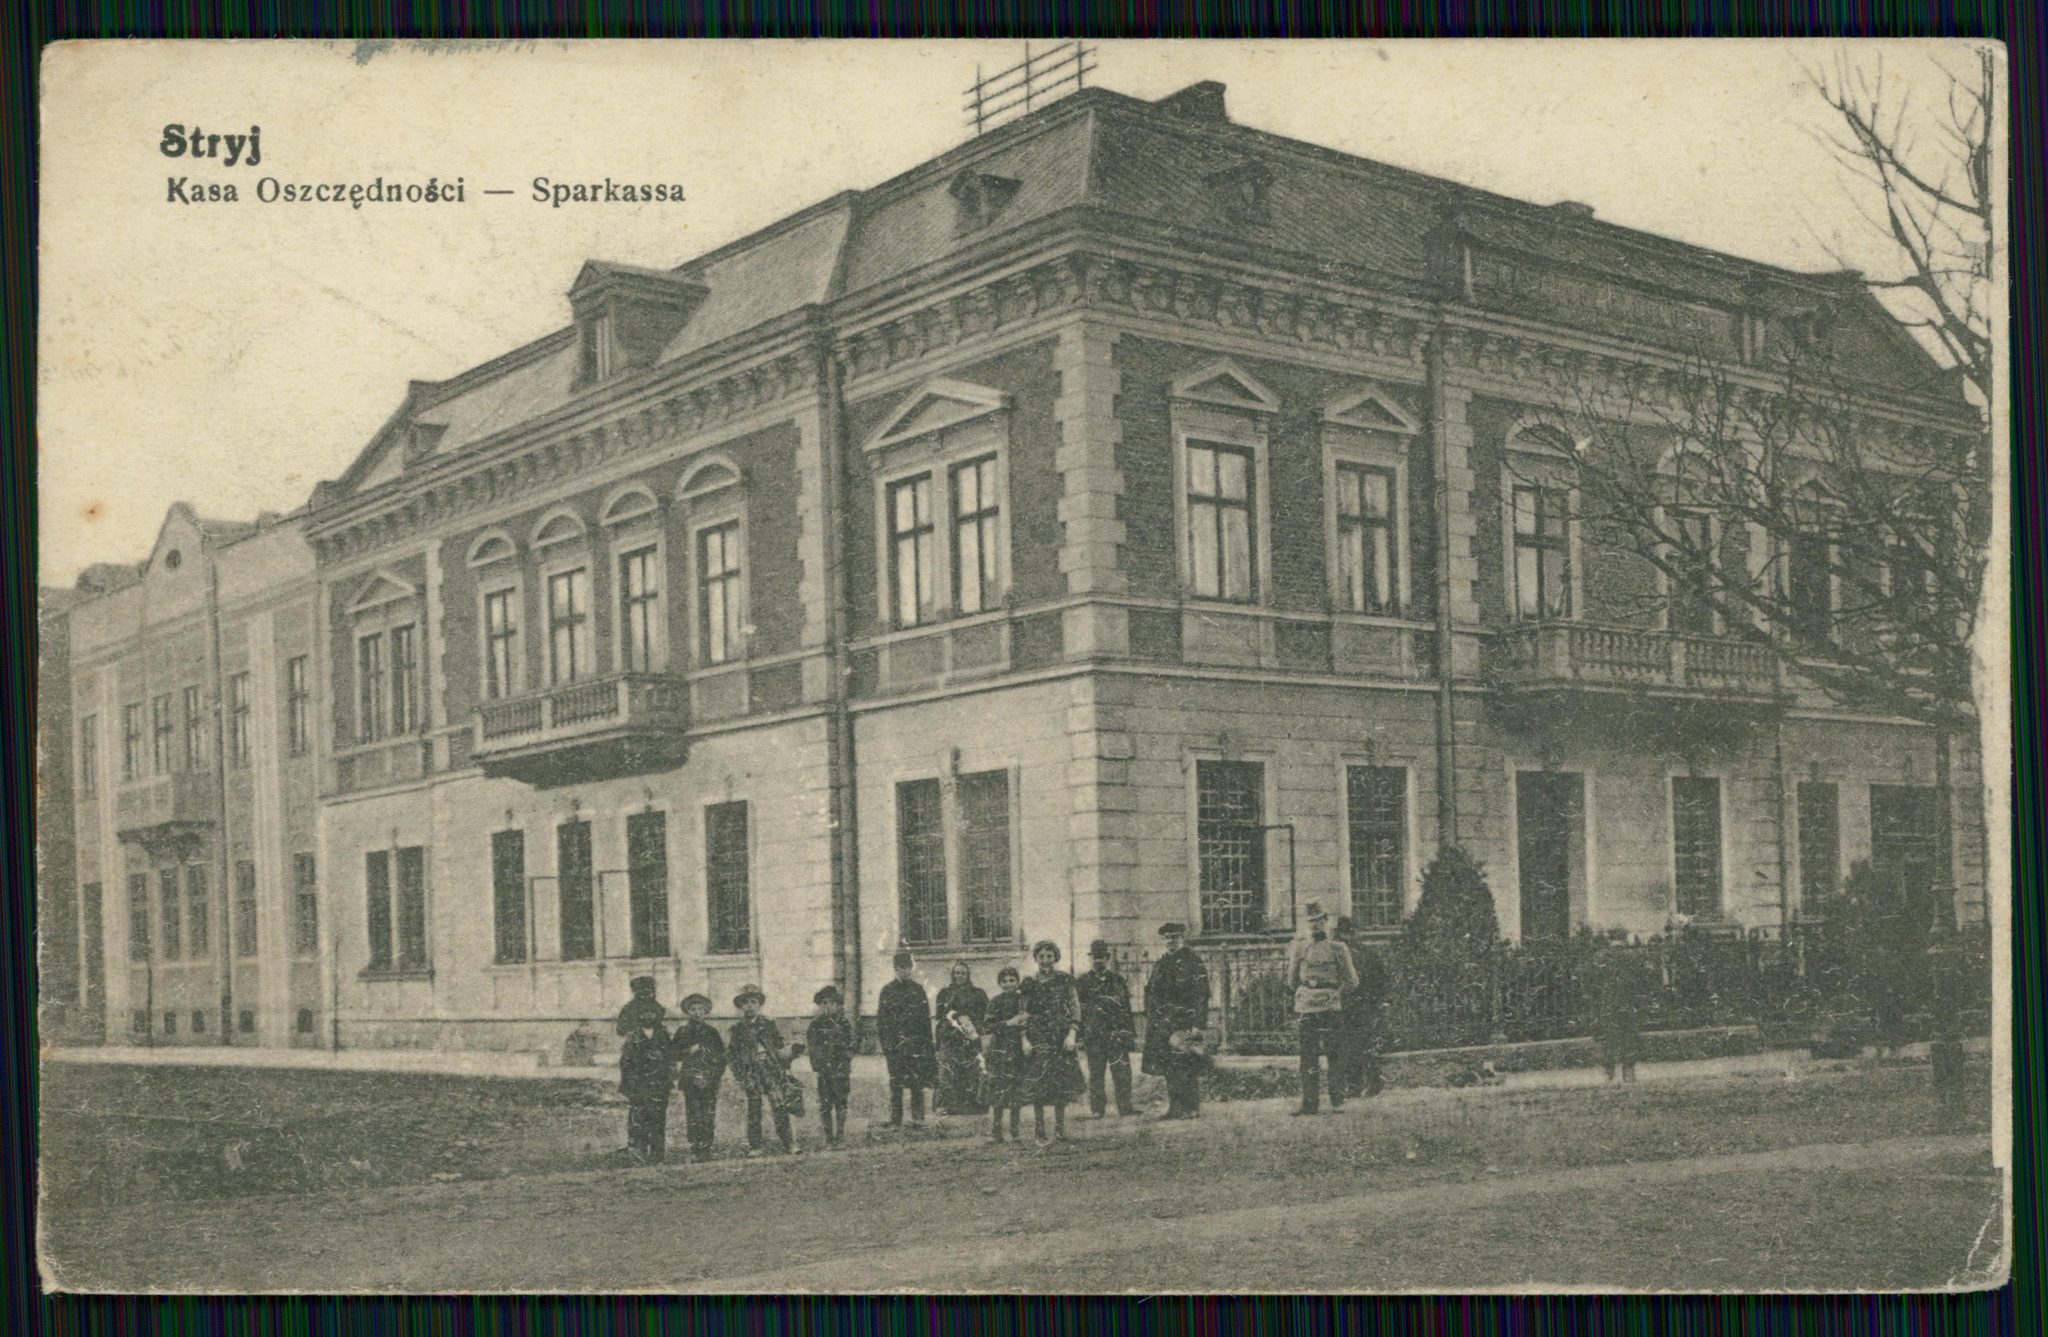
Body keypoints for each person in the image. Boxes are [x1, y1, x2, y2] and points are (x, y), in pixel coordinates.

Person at [1289, 901, 1360, 1115]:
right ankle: (1310, 1103)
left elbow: (1352, 981)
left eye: (1319, 921)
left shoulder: (1337, 948)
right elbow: (1292, 980)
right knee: (1307, 1057)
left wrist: (1336, 994)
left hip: (1329, 1007)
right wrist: (1304, 991)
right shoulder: (1300, 947)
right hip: (1306, 1007)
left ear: (1326, 921)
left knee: (1334, 1054)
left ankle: (1337, 1100)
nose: (1314, 926)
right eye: (1310, 921)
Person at [1142, 922, 1212, 1119]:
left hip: (1185, 1021)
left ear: (1182, 938)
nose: (1170, 941)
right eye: (1167, 937)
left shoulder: (1193, 961)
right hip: (1164, 1023)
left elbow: (1202, 995)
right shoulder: (1161, 963)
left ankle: (1192, 1108)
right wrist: (1152, 1017)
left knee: (1186, 1063)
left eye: (1174, 937)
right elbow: (1151, 992)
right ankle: (1175, 1108)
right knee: (1169, 1066)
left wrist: (1198, 1024)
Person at [727, 984, 805, 1157]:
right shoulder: (737, 1029)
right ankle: (755, 1146)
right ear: (740, 1006)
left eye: (753, 1002)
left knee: (779, 1104)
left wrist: (786, 1064)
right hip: (750, 1070)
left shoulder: (769, 1024)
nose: (749, 1006)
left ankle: (789, 1142)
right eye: (745, 1003)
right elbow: (732, 1055)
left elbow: (778, 1046)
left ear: (759, 1004)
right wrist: (740, 1076)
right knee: (754, 1107)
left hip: (770, 1068)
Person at [1020, 939, 1086, 1143]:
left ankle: (1059, 1129)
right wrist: (1024, 1039)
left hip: (1060, 1037)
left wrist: (1072, 1033)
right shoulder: (1029, 984)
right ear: (1036, 958)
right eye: (1041, 956)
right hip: (1037, 1037)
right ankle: (1040, 1129)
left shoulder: (1065, 981)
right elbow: (1022, 1012)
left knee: (1060, 1084)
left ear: (1055, 958)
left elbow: (1075, 1007)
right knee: (1038, 1085)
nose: (1045, 960)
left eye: (1049, 956)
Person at [1075, 939, 1137, 1117]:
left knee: (1122, 1072)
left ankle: (1125, 1107)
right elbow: (1078, 1011)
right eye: (1095, 957)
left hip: (1116, 1033)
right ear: (1090, 958)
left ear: (1108, 958)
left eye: (1102, 957)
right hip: (1094, 1034)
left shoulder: (1118, 980)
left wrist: (1129, 1033)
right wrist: (1080, 1036)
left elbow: (1126, 1008)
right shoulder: (1082, 982)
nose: (1098, 961)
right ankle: (1097, 1109)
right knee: (1096, 1073)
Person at [877, 950, 937, 1126]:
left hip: (916, 1044)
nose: (906, 971)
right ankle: (896, 1118)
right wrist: (887, 1046)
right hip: (896, 1045)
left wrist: (927, 1044)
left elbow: (925, 1020)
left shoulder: (918, 990)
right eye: (902, 967)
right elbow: (882, 1022)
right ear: (895, 968)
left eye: (908, 967)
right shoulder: (887, 991)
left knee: (917, 1081)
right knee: (896, 1082)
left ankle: (918, 1118)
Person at [669, 993, 726, 1162]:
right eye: (693, 1009)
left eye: (700, 1009)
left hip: (708, 1078)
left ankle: (706, 1148)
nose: (697, 1012)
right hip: (690, 1078)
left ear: (705, 1011)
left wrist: (713, 1075)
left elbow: (722, 1056)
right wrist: (688, 1051)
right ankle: (695, 1148)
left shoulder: (712, 1032)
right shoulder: (682, 1031)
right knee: (693, 1113)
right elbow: (673, 1053)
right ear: (688, 1012)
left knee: (708, 1113)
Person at [1337, 918, 1388, 1099]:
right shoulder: (1368, 952)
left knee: (1350, 1044)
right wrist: (1376, 1001)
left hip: (1349, 1004)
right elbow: (1382, 979)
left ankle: (1357, 1084)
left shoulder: (1341, 954)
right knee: (1362, 1043)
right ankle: (1372, 1080)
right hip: (1365, 1004)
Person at [618, 1003, 673, 1164]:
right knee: (638, 1118)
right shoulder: (633, 1036)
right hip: (639, 1084)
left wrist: (662, 1059)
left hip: (659, 1084)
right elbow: (625, 1061)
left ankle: (657, 1155)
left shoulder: (664, 1035)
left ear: (657, 1016)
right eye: (644, 1013)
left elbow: (671, 1057)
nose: (648, 1016)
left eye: (652, 1013)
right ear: (639, 1016)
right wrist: (629, 1083)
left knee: (658, 1119)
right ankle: (638, 1154)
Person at [933, 962, 989, 1116]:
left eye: (963, 973)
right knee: (948, 1070)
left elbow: (985, 1015)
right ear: (952, 975)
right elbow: (940, 1017)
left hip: (971, 1037)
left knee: (972, 1070)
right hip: (950, 1037)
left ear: (968, 975)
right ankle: (946, 1106)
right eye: (957, 973)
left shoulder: (978, 993)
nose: (960, 976)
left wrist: (971, 1026)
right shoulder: (945, 993)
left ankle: (974, 1105)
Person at [980, 965, 1028, 1143]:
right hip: (1000, 1050)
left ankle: (1015, 1131)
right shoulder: (995, 1002)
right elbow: (987, 1026)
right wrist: (1007, 1023)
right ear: (1000, 983)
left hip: (1018, 1050)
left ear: (1017, 982)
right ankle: (996, 1131)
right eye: (1005, 981)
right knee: (998, 1091)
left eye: (1012, 980)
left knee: (1016, 1090)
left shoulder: (1023, 1001)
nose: (1008, 984)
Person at [807, 985, 856, 1147]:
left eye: (832, 1003)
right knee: (825, 1103)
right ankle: (828, 1137)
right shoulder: (815, 1024)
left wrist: (846, 1057)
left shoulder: (844, 1023)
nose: (828, 1006)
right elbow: (812, 1047)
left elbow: (852, 1044)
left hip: (841, 1068)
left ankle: (840, 1134)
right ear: (820, 1005)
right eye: (824, 1003)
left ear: (837, 1004)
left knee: (841, 1101)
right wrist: (817, 1065)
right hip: (824, 1070)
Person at [1592, 931, 1644, 1083]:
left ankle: (1609, 1072)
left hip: (1608, 1002)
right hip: (1627, 1001)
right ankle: (1628, 1071)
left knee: (1609, 1036)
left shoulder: (1601, 956)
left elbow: (1594, 981)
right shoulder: (1632, 956)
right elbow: (1640, 978)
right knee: (1629, 1035)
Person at [615, 973, 667, 1038]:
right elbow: (620, 1029)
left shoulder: (656, 1006)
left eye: (649, 992)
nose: (647, 996)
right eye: (643, 993)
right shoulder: (629, 1008)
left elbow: (661, 1014)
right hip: (636, 1039)